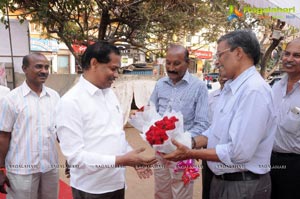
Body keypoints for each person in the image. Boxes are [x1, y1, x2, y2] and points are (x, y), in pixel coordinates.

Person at [163, 30, 276, 199]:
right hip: (223, 181)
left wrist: (189, 153)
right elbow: (215, 132)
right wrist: (190, 142)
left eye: (220, 55)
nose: (217, 62)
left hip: (243, 186)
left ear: (238, 53)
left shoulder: (254, 91)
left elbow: (238, 153)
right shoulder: (231, 88)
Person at [55, 41, 157, 199]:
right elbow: (76, 157)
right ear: (94, 63)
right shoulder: (70, 102)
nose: (116, 75)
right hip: (91, 189)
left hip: (116, 182)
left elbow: (116, 135)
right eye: (113, 68)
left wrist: (132, 157)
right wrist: (121, 160)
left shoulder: (109, 94)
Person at [150, 44, 210, 199]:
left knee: (181, 194)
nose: (171, 68)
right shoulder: (160, 85)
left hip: (183, 153)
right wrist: (153, 135)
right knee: (161, 193)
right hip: (160, 152)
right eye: (168, 63)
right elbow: (151, 114)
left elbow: (203, 124)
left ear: (187, 63)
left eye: (176, 63)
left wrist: (185, 144)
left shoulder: (199, 87)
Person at [0, 53, 60, 199]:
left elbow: (60, 132)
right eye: (39, 66)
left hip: (50, 168)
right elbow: (3, 136)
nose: (44, 71)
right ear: (24, 69)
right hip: (21, 169)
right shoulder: (11, 100)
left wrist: (72, 158)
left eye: (47, 67)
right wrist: (0, 169)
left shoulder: (55, 97)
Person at [271, 37, 300, 199]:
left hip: (295, 167)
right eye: (286, 54)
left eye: (297, 55)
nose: (289, 59)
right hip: (269, 162)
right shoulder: (276, 87)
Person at [202, 61, 228, 199]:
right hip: (209, 146)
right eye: (220, 73)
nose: (222, 76)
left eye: (225, 73)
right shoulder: (211, 97)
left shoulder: (236, 97)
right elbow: (205, 121)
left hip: (226, 151)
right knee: (207, 185)